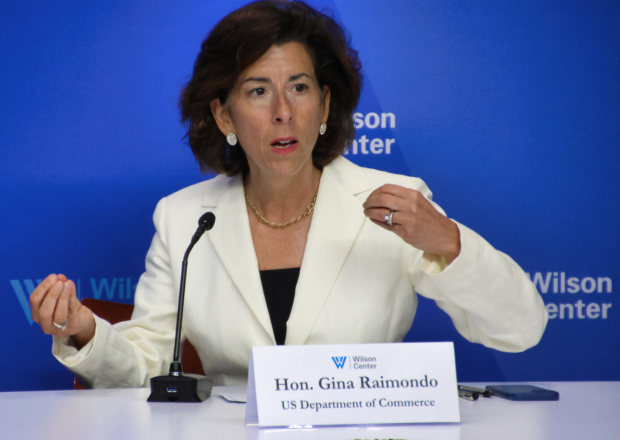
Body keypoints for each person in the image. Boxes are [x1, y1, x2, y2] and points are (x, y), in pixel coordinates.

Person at [29, 0, 547, 388]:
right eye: (258, 90)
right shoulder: (184, 217)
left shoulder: (395, 200)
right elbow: (144, 368)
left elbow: (520, 330)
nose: (283, 111)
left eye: (299, 88)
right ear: (224, 115)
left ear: (324, 107)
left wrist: (448, 243)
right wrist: (84, 332)